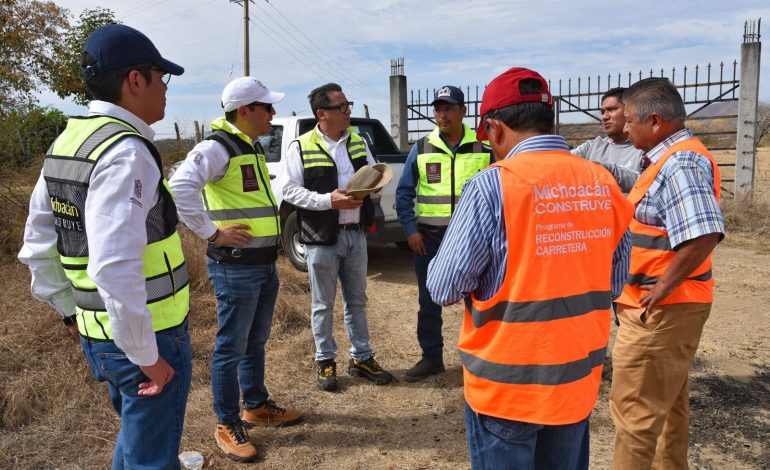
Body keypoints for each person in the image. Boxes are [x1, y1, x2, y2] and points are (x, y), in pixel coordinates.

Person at [427, 67, 633, 469]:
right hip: (575, 382)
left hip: (508, 389)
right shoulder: (603, 183)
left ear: (494, 129)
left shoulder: (493, 185)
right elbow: (614, 282)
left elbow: (444, 286)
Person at [18, 24, 191, 468]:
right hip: (147, 336)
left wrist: (70, 314)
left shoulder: (69, 141)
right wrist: (146, 354)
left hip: (100, 333)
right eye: (161, 77)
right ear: (136, 80)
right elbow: (114, 265)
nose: (165, 90)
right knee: (150, 458)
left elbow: (39, 245)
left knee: (138, 444)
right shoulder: (126, 152)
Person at [169, 77, 302, 463]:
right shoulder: (216, 147)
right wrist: (211, 233)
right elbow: (179, 189)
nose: (273, 114)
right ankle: (227, 422)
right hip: (237, 267)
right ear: (245, 111)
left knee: (254, 342)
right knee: (230, 348)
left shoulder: (250, 146)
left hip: (262, 265)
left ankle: (256, 406)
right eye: (266, 108)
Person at [610, 77, 725, 470]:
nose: (623, 129)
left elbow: (704, 232)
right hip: (668, 309)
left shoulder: (680, 162)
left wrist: (661, 287)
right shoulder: (668, 159)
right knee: (667, 406)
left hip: (660, 311)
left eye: (629, 121)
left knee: (635, 420)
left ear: (655, 121)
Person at [281, 83, 393, 391]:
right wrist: (329, 201)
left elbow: (374, 175)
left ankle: (361, 357)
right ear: (322, 114)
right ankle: (325, 360)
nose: (348, 111)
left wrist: (374, 188)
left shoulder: (357, 141)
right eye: (342, 107)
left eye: (348, 105)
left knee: (357, 300)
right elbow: (289, 191)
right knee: (322, 303)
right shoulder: (301, 146)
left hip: (355, 234)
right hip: (321, 238)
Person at [395, 85, 492, 381]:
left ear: (463, 112)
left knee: (478, 299)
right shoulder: (422, 147)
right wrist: (410, 230)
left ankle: (481, 358)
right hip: (430, 238)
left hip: (472, 238)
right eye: (438, 109)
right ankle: (431, 357)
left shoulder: (484, 146)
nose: (442, 114)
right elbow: (403, 192)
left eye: (449, 108)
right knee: (429, 300)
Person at [571, 87, 643, 192]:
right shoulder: (591, 146)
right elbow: (564, 163)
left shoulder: (644, 149)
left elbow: (647, 184)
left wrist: (607, 170)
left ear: (630, 111)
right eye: (603, 111)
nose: (604, 117)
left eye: (612, 109)